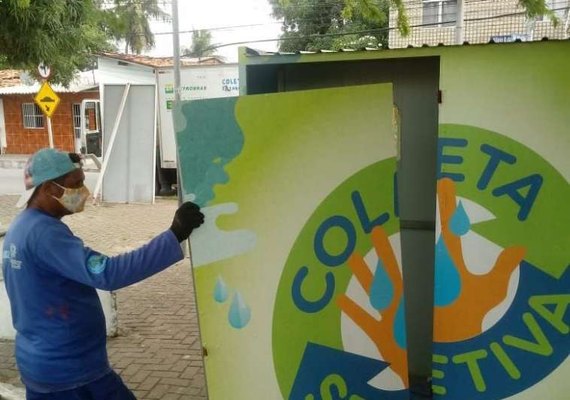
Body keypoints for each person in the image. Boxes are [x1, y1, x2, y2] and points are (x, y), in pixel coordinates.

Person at [1, 148, 204, 400]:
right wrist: (174, 234)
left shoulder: (22, 226)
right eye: (76, 184)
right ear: (49, 189)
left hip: (46, 363)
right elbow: (108, 273)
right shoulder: (45, 233)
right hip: (68, 371)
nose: (83, 192)